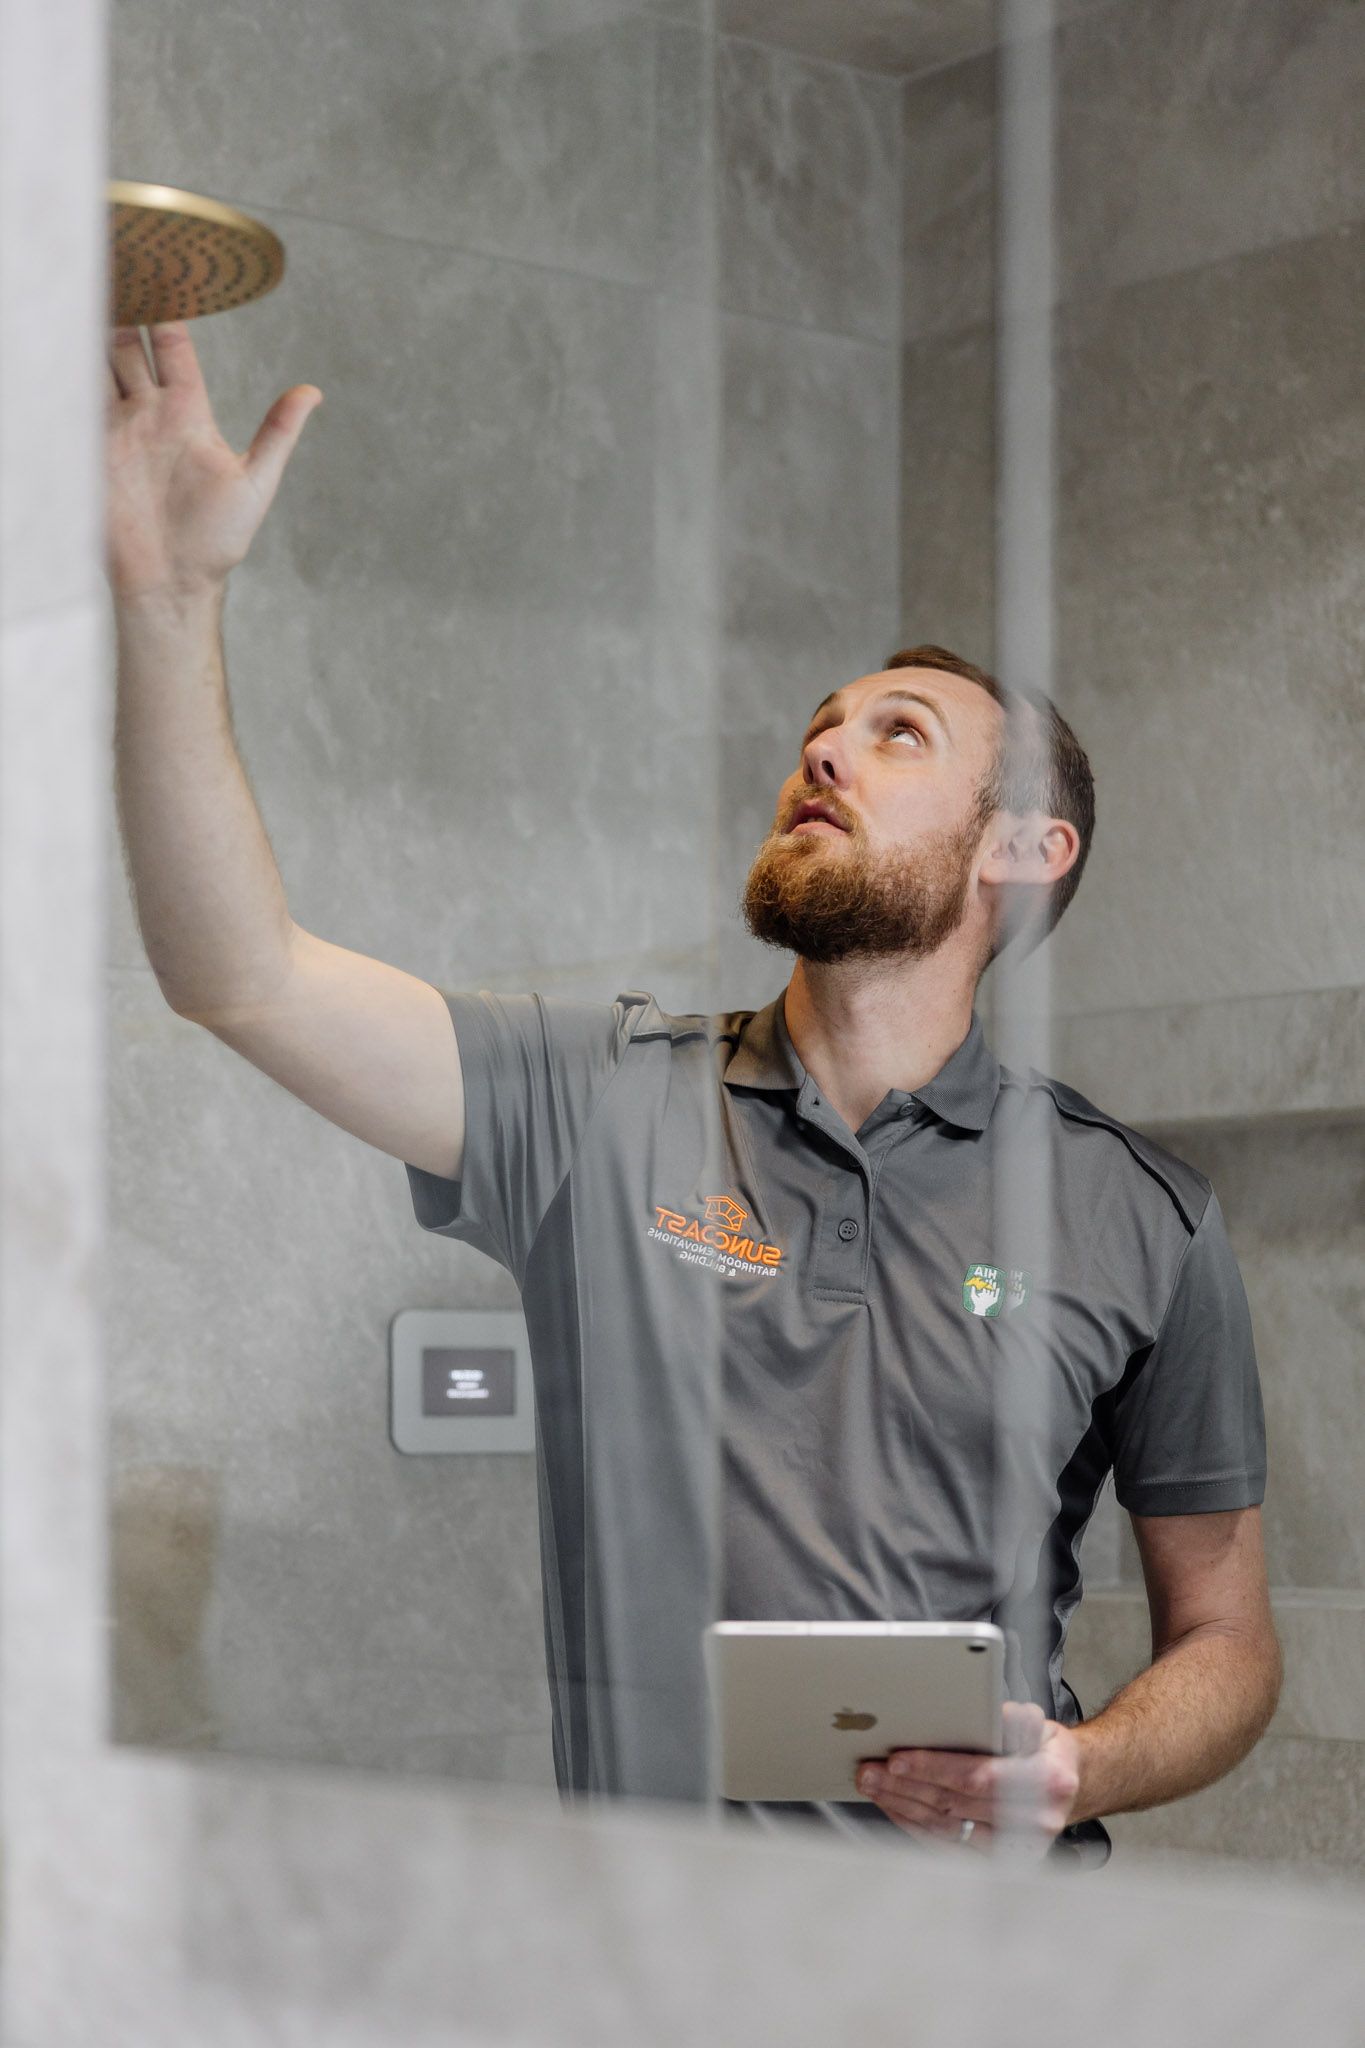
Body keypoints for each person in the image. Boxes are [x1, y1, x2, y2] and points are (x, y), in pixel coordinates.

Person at [106, 325, 1282, 1869]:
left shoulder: (1136, 1214)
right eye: (818, 726)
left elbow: (1230, 1642)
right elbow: (238, 976)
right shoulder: (596, 1099)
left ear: (1020, 848)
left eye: (894, 734)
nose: (821, 751)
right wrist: (169, 601)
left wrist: (1079, 1769)